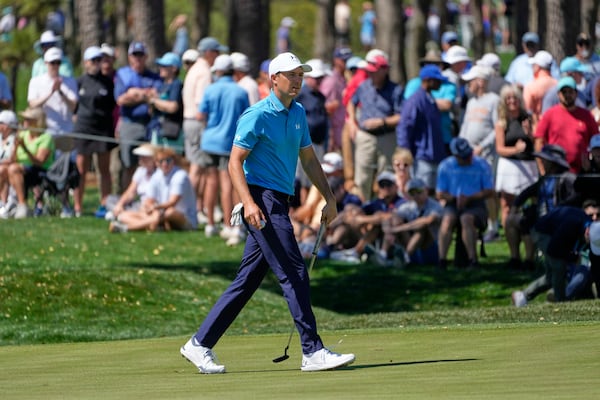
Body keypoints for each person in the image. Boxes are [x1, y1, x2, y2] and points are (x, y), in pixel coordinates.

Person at [180, 52, 355, 374]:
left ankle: (199, 344)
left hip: (279, 201)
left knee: (246, 281)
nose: (297, 80)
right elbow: (234, 163)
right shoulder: (257, 114)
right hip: (262, 201)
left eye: (300, 74)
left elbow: (309, 160)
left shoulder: (299, 112)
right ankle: (312, 350)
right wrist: (248, 203)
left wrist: (328, 197)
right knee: (293, 271)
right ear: (273, 79)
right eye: (291, 75)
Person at [198, 54, 249, 242]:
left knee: (211, 182)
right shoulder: (240, 92)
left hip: (209, 141)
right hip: (229, 142)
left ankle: (211, 224)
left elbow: (200, 113)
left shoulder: (210, 89)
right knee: (229, 184)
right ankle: (231, 226)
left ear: (218, 71)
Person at [504, 144, 576, 270]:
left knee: (529, 224)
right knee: (511, 220)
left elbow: (574, 199)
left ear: (553, 162)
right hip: (540, 217)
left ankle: (529, 260)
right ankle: (515, 259)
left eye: (545, 160)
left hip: (556, 221)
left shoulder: (567, 178)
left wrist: (557, 211)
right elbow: (526, 192)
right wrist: (515, 206)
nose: (542, 162)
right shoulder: (545, 179)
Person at [512, 202, 598, 306]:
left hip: (553, 234)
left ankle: (522, 295)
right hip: (542, 233)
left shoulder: (589, 228)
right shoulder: (572, 224)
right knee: (558, 267)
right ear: (588, 232)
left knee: (550, 276)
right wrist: (573, 257)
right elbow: (554, 250)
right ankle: (561, 303)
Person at [347, 50, 402, 200]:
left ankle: (384, 209)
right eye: (369, 71)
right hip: (365, 137)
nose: (370, 74)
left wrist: (382, 122)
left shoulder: (395, 90)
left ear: (384, 70)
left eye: (374, 71)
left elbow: (401, 116)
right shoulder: (364, 86)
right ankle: (362, 209)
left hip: (387, 136)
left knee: (386, 177)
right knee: (362, 177)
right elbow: (351, 103)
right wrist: (352, 121)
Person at [182, 37, 226, 223]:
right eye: (216, 52)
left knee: (196, 166)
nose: (218, 56)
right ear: (208, 52)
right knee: (198, 168)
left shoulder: (194, 69)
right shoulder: (204, 72)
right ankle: (187, 210)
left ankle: (193, 208)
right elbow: (202, 106)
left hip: (188, 120)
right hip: (197, 122)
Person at [436, 137, 494, 269]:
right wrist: (455, 198)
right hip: (452, 202)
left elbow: (489, 191)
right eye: (464, 157)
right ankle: (442, 260)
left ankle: (472, 260)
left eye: (469, 154)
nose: (468, 158)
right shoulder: (445, 166)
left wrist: (469, 197)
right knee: (447, 221)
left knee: (466, 219)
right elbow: (439, 193)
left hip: (476, 203)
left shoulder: (481, 164)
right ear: (455, 156)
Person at [72, 46, 116, 218]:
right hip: (84, 128)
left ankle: (105, 204)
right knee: (81, 170)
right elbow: (73, 105)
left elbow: (113, 105)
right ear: (86, 62)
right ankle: (77, 206)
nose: (97, 64)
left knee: (104, 169)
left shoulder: (107, 82)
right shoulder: (79, 81)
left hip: (103, 129)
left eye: (99, 60)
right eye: (93, 61)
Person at [458, 64, 501, 242]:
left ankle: (494, 226)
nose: (468, 84)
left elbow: (496, 128)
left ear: (481, 81)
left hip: (486, 154)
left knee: (488, 190)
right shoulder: (471, 102)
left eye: (472, 80)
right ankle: (476, 225)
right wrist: (460, 146)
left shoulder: (494, 100)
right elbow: (465, 127)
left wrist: (482, 146)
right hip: (469, 154)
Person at [109, 147, 197, 233]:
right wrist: (150, 208)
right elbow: (149, 199)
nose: (165, 164)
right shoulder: (156, 175)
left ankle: (126, 228)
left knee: (169, 212)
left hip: (182, 216)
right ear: (156, 163)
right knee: (124, 215)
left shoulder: (180, 176)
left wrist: (155, 208)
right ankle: (154, 226)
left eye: (168, 160)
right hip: (160, 212)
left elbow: (172, 202)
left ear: (173, 161)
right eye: (161, 161)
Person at [114, 41, 162, 189]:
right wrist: (145, 95)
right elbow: (121, 100)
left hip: (150, 125)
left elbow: (157, 97)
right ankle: (126, 201)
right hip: (130, 124)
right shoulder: (123, 74)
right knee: (129, 165)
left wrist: (134, 93)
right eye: (135, 55)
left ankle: (146, 200)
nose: (138, 59)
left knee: (151, 164)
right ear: (129, 57)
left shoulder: (154, 77)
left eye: (141, 55)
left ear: (146, 56)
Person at [494, 85, 538, 238]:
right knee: (507, 204)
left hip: (528, 164)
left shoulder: (528, 118)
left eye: (515, 98)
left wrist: (529, 133)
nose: (512, 101)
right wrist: (516, 149)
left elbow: (537, 141)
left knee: (531, 201)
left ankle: (529, 234)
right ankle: (510, 238)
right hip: (509, 165)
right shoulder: (502, 122)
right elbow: (499, 148)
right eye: (508, 98)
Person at [396, 64, 448, 194]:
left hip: (434, 156)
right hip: (421, 158)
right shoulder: (415, 101)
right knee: (420, 193)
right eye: (437, 80)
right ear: (428, 80)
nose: (440, 83)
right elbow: (404, 126)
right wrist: (404, 151)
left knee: (432, 194)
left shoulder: (430, 99)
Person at [534, 76, 597, 174]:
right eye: (564, 92)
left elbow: (596, 141)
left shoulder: (586, 115)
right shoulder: (550, 114)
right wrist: (542, 169)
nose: (567, 95)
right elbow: (539, 141)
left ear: (576, 93)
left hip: (581, 171)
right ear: (558, 94)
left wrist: (591, 163)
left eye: (570, 92)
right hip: (555, 171)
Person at [379, 178, 443, 267]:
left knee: (421, 229)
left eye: (418, 191)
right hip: (414, 247)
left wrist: (397, 229)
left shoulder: (435, 206)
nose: (416, 195)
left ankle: (405, 257)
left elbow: (427, 221)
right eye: (412, 192)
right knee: (395, 220)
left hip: (433, 249)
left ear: (426, 190)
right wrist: (388, 228)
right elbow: (390, 216)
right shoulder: (409, 206)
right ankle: (383, 254)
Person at [6, 107, 55, 219]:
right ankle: (5, 204)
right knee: (4, 169)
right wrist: (15, 147)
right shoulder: (23, 135)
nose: (25, 122)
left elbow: (39, 162)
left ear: (37, 121)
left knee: (13, 169)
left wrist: (24, 148)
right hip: (19, 168)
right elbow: (13, 159)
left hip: (39, 171)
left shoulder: (46, 138)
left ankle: (22, 205)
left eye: (28, 119)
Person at [27, 46, 78, 144]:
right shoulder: (35, 81)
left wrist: (60, 92)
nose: (55, 66)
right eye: (52, 63)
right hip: (44, 134)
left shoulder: (70, 81)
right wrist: (51, 92)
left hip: (65, 132)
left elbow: (73, 107)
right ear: (45, 63)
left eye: (58, 62)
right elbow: (32, 104)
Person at [107, 144, 157, 221]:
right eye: (140, 156)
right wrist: (120, 204)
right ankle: (122, 213)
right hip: (139, 204)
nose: (140, 159)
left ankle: (123, 215)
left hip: (152, 205)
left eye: (144, 157)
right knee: (110, 199)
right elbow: (130, 192)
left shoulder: (159, 174)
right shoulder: (140, 171)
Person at [147, 52, 184, 151]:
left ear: (174, 68)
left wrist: (154, 101)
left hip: (171, 132)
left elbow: (172, 107)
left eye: (164, 66)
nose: (161, 68)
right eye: (160, 65)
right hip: (157, 129)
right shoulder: (162, 85)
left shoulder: (176, 84)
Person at [321, 47, 352, 152]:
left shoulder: (346, 79)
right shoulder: (331, 81)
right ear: (336, 60)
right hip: (334, 135)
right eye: (344, 60)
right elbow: (322, 106)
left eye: (348, 60)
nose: (347, 63)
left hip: (345, 131)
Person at [522, 50, 557, 131]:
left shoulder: (530, 87)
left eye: (533, 65)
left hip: (538, 128)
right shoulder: (557, 84)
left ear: (537, 67)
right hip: (556, 127)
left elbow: (527, 110)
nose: (532, 67)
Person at [0, 110, 18, 216]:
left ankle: (3, 203)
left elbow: (13, 158)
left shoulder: (15, 139)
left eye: (2, 123)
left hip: (8, 167)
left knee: (2, 170)